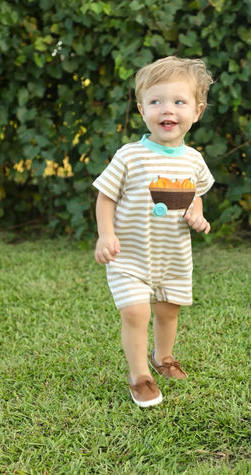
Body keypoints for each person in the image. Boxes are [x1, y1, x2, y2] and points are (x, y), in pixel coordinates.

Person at [93, 56, 215, 407]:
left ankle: (162, 357)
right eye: (156, 101)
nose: (168, 110)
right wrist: (105, 234)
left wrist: (197, 215)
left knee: (168, 310)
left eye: (179, 102)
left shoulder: (193, 159)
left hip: (172, 256)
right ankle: (139, 376)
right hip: (129, 255)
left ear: (197, 111)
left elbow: (196, 195)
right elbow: (105, 197)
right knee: (136, 312)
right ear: (142, 109)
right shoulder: (130, 156)